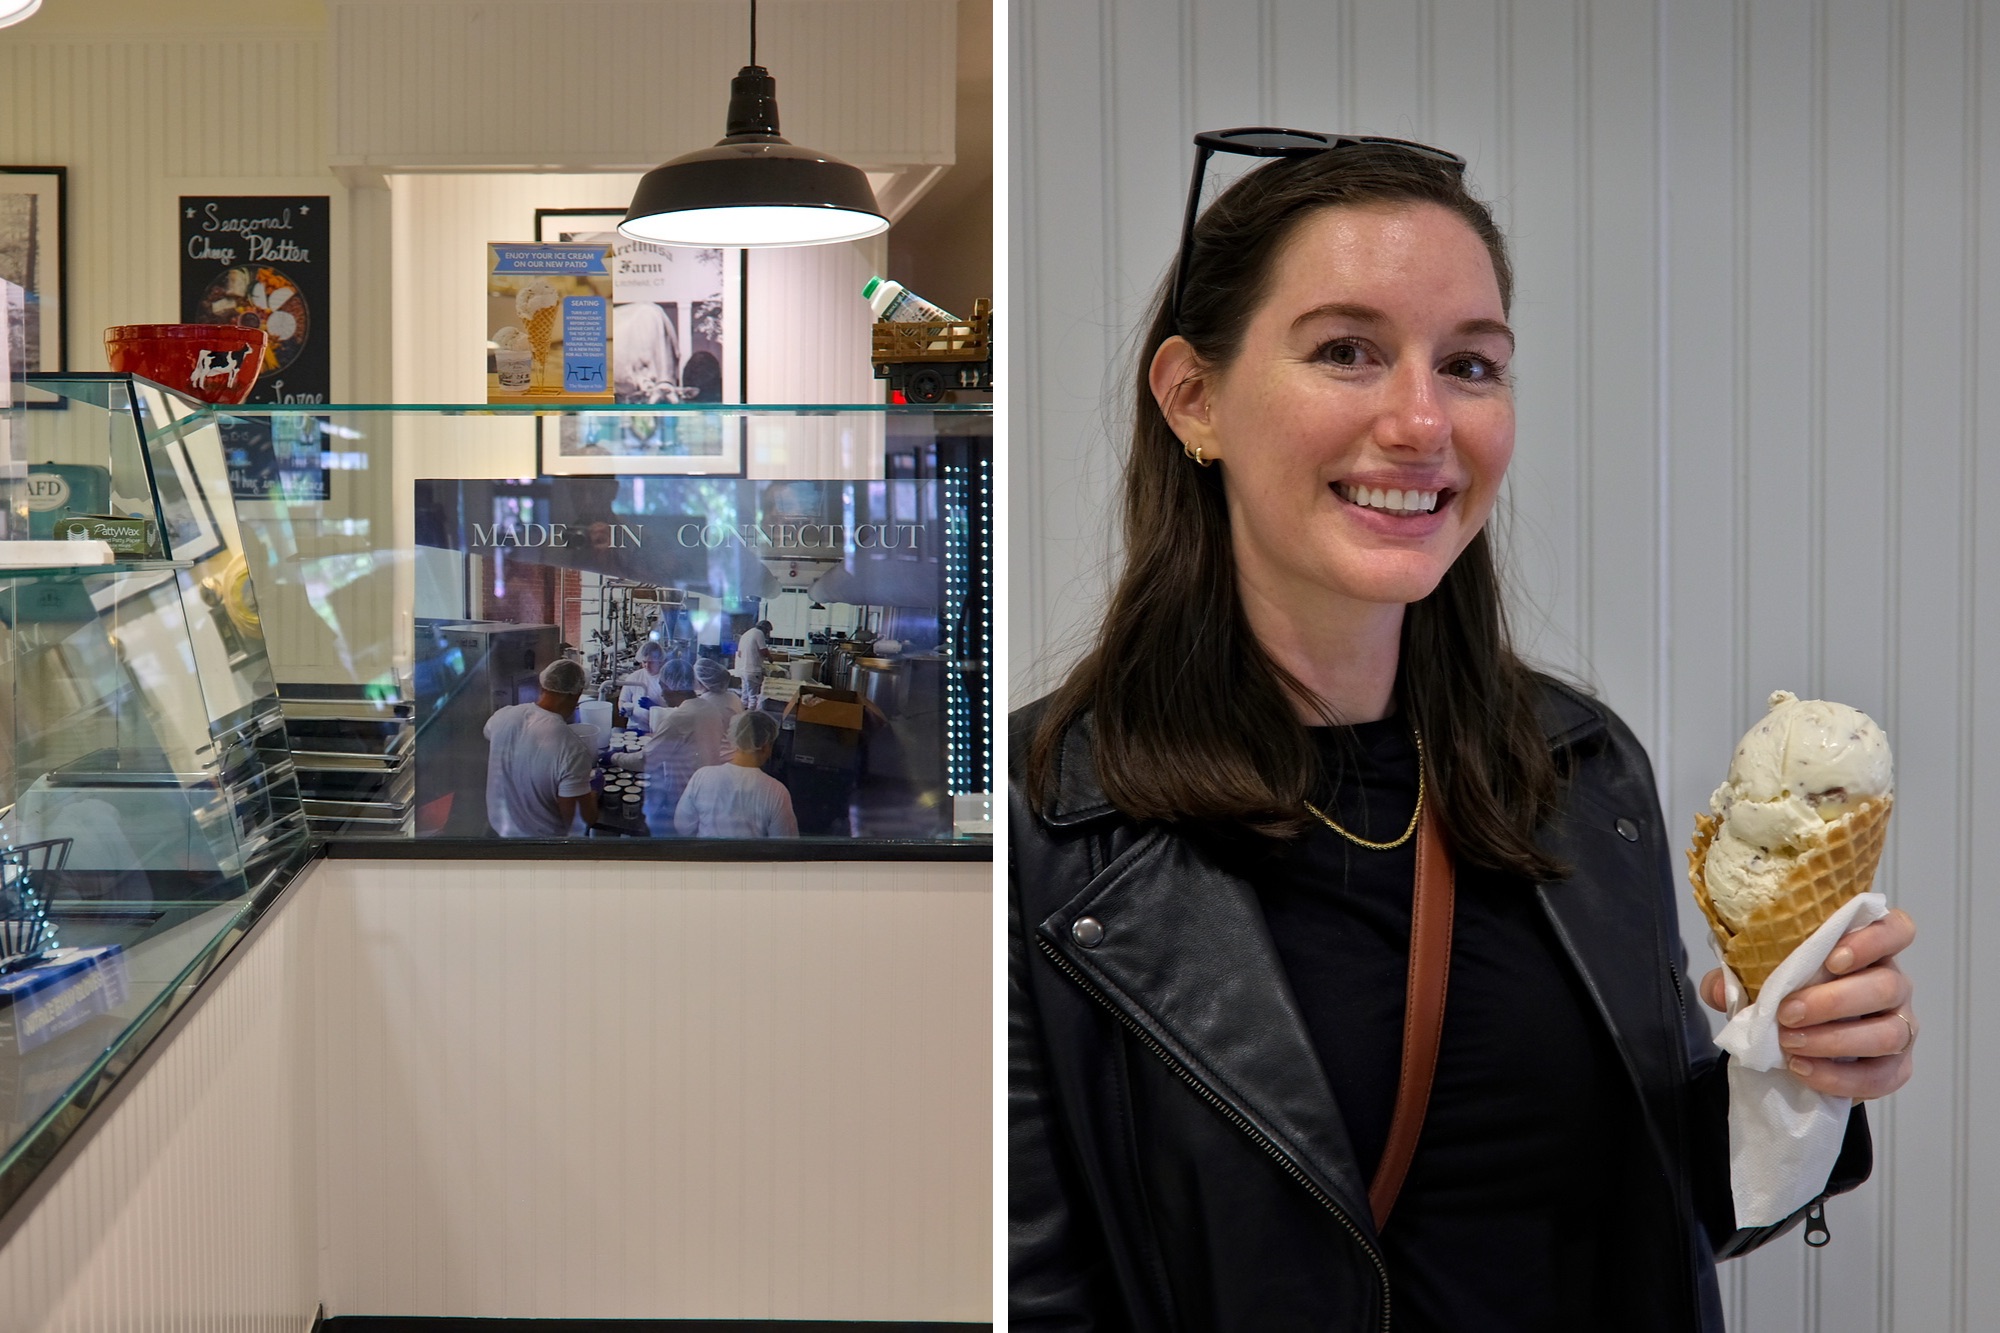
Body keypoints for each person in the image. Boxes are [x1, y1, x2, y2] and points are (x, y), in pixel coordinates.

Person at [1010, 134, 1920, 1331]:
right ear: (1192, 397)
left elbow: (1652, 1206)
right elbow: (1040, 1289)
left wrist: (1798, 1075)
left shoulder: (1575, 767)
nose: (1419, 419)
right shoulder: (1050, 824)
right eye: (1346, 351)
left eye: (1470, 364)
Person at [611, 655, 742, 835]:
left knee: (680, 836)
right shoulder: (708, 707)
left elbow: (646, 760)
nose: (662, 694)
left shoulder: (679, 719)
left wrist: (614, 757)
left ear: (674, 688)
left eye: (663, 687)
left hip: (682, 793)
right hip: (706, 788)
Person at [484, 658, 598, 837]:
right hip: (542, 848)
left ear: (542, 686)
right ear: (576, 694)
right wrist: (591, 795)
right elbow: (579, 821)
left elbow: (490, 733)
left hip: (499, 834)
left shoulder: (502, 716)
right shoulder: (572, 749)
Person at [674, 710, 798, 838]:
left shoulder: (702, 776)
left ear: (736, 738)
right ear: (766, 746)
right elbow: (784, 843)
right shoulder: (776, 791)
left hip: (706, 855)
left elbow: (683, 827)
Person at [617, 639, 669, 719]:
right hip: (635, 725)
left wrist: (654, 707)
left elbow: (674, 710)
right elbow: (623, 700)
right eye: (644, 662)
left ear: (660, 661)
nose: (646, 666)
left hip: (658, 726)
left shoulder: (667, 679)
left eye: (651, 662)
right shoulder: (634, 677)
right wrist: (623, 708)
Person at [734, 618, 772, 706]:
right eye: (768, 631)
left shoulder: (746, 634)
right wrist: (770, 658)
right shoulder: (759, 633)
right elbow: (763, 651)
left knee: (744, 696)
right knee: (753, 697)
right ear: (765, 629)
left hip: (743, 670)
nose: (767, 634)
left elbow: (739, 654)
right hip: (753, 670)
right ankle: (751, 716)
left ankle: (742, 713)